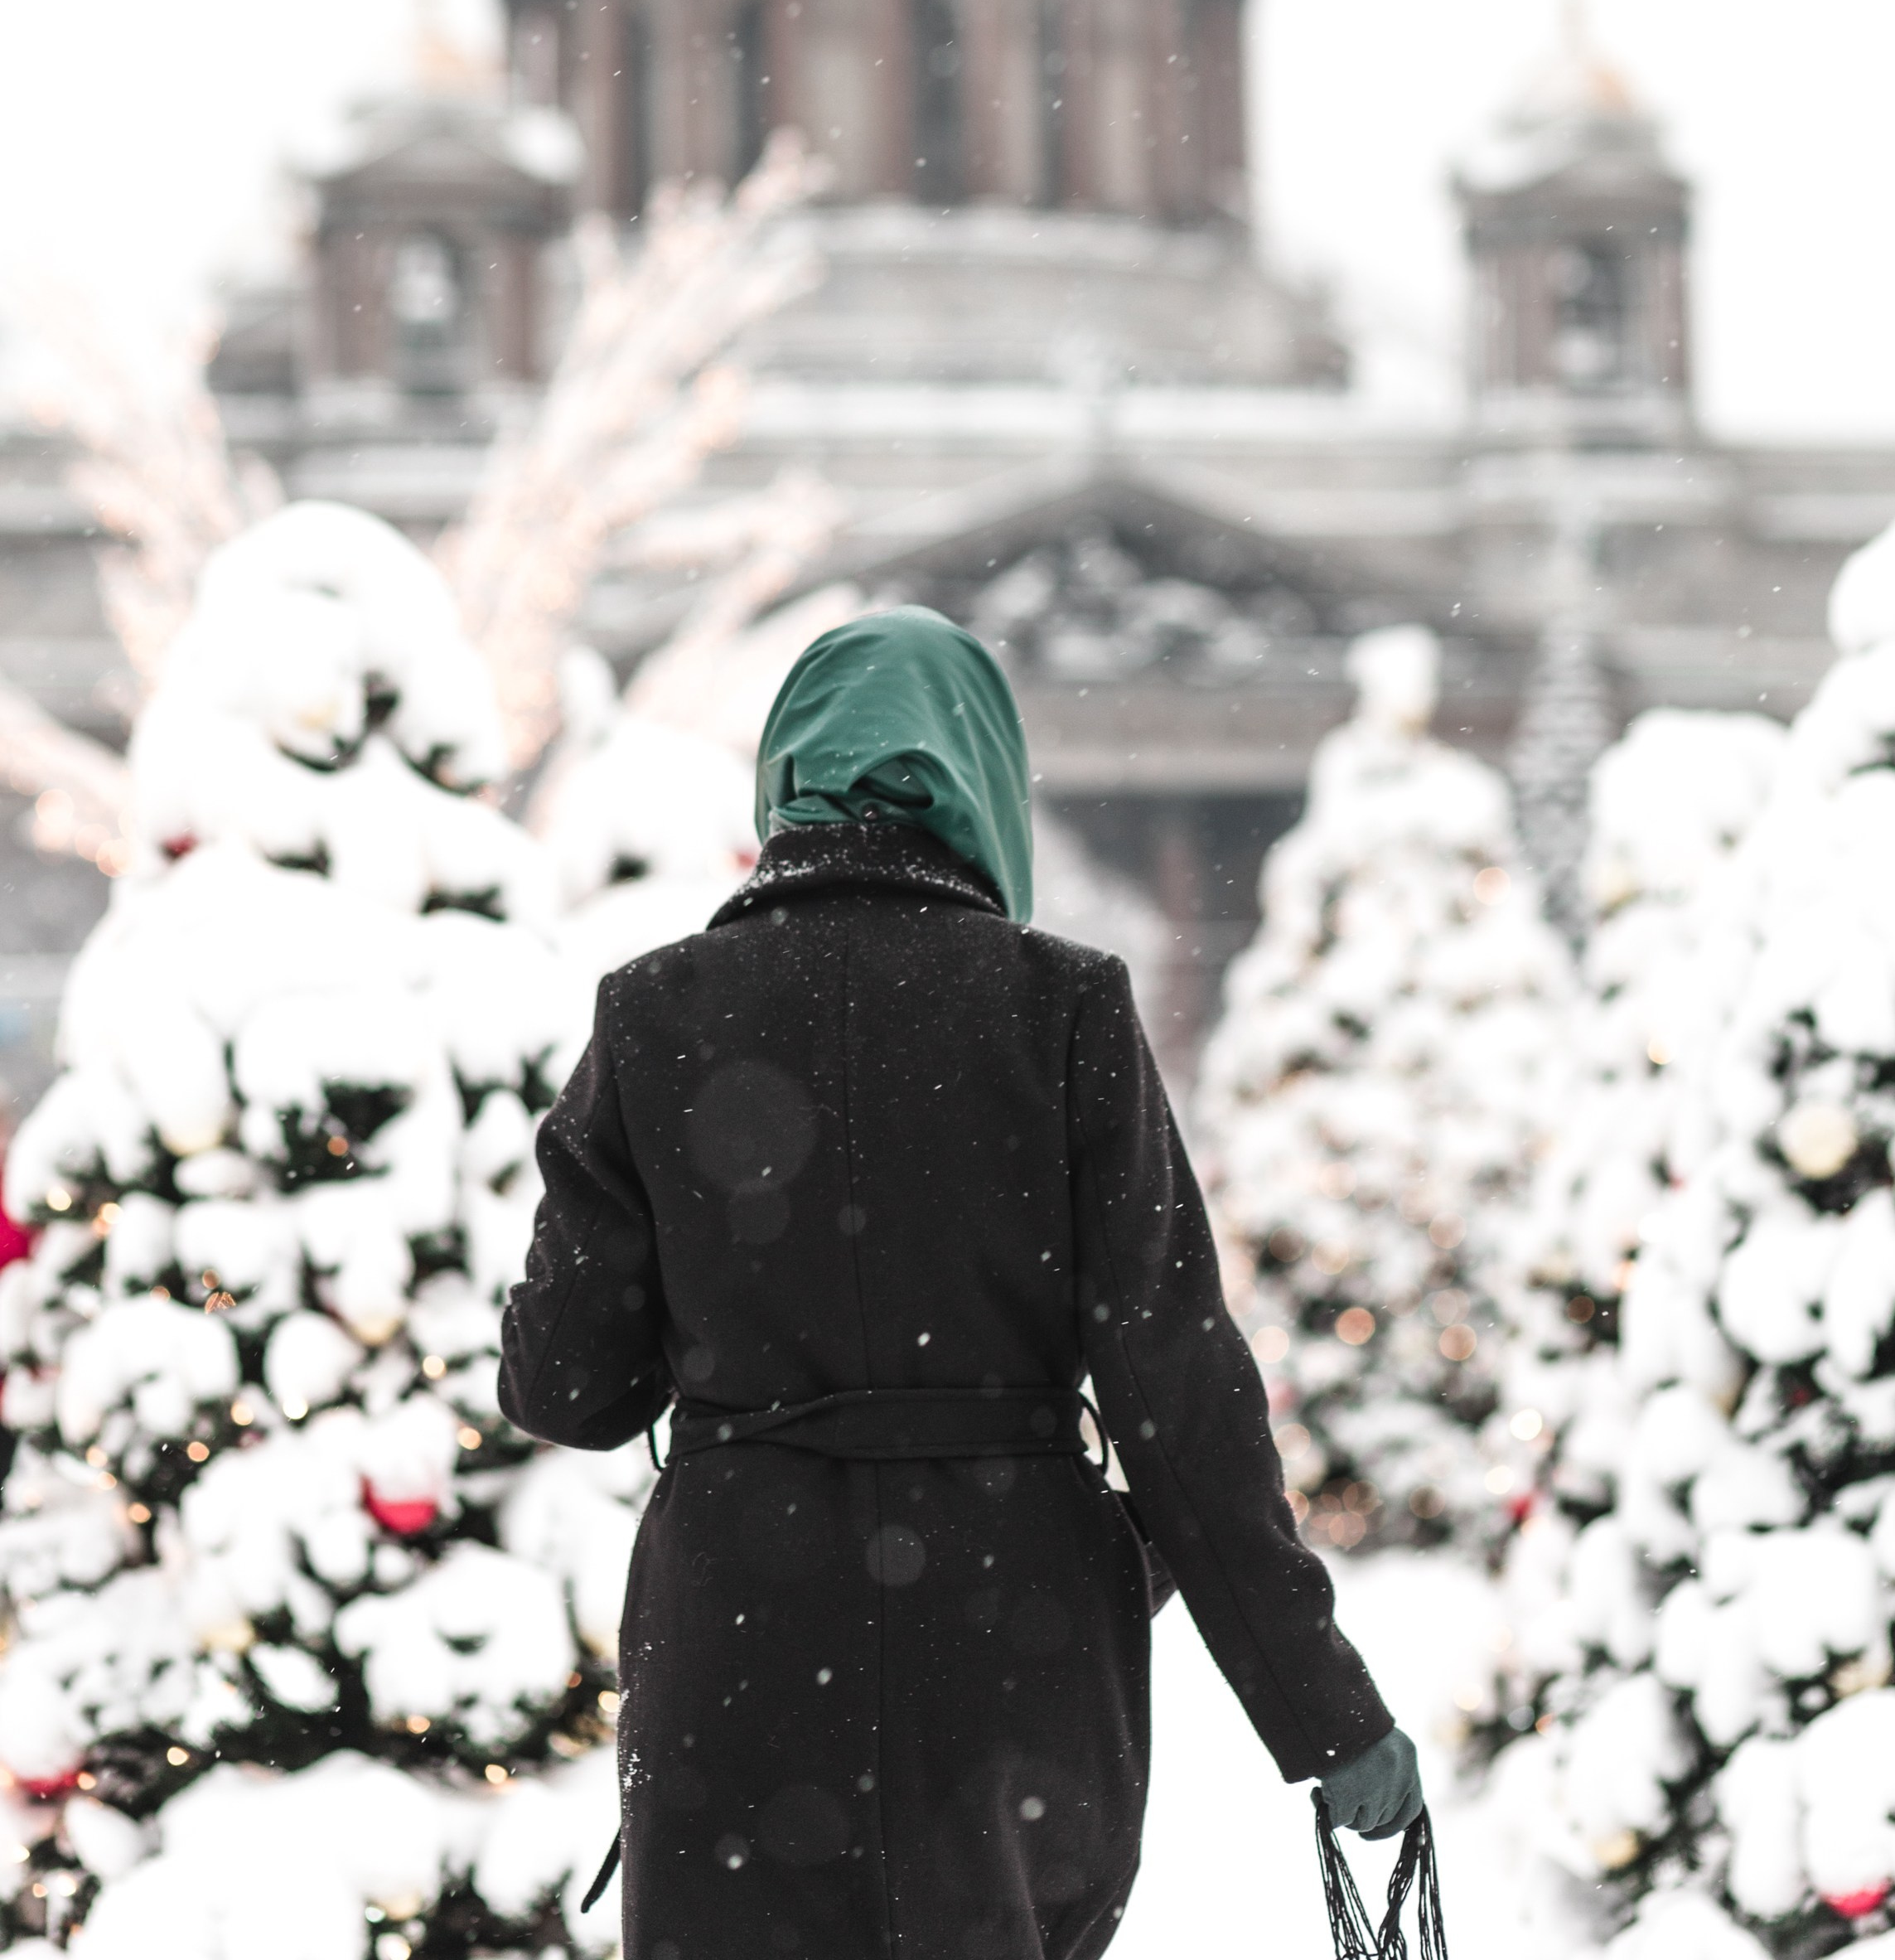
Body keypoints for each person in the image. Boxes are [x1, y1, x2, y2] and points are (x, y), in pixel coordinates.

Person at [500, 607, 1420, 1960]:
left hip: (743, 1656)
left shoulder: (656, 1012)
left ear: (785, 784)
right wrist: (1325, 1717)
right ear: (983, 784)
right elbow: (1179, 1395)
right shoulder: (1064, 1010)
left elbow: (568, 1388)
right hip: (1013, 1651)